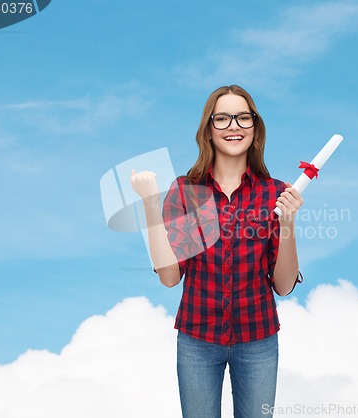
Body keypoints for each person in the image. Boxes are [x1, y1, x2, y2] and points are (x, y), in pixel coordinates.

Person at [130, 85, 303, 418]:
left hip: (258, 340)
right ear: (208, 130)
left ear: (255, 127)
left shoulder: (275, 193)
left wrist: (288, 223)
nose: (233, 126)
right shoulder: (187, 190)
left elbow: (282, 286)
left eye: (242, 118)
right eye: (222, 118)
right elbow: (169, 277)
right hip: (197, 340)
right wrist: (150, 202)